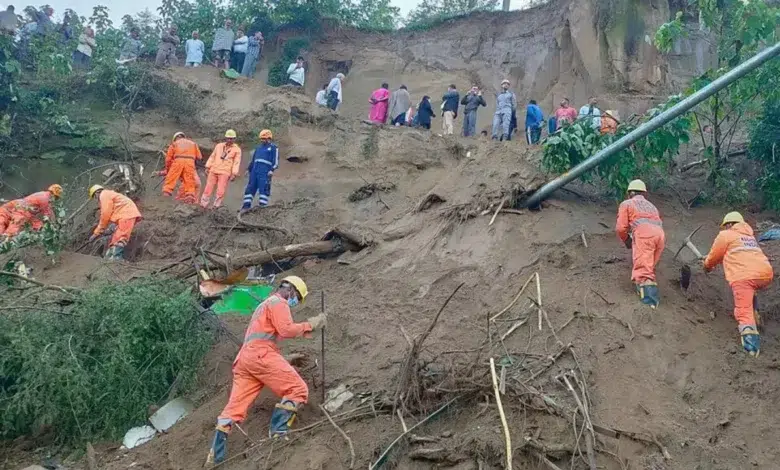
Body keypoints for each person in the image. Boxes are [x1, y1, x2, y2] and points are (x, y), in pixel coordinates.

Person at [205, 276, 326, 465]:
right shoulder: (279, 302)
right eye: (297, 298)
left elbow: (261, 339)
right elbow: (285, 330)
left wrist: (285, 357)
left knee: (233, 409)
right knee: (298, 389)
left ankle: (215, 456)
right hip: (261, 355)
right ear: (291, 290)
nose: (295, 302)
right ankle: (278, 434)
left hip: (246, 359)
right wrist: (311, 325)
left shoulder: (264, 304)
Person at [703, 212, 774, 357]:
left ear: (729, 224)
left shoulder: (725, 236)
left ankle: (752, 348)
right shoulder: (749, 237)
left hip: (744, 276)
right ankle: (756, 314)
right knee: (751, 290)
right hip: (765, 273)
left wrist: (707, 266)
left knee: (743, 310)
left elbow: (714, 256)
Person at [615, 179, 665, 309]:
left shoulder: (627, 204)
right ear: (644, 193)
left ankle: (649, 304)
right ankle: (642, 289)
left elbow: (621, 228)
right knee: (649, 266)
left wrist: (626, 239)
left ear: (630, 193)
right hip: (660, 235)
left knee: (644, 271)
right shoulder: (652, 206)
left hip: (645, 235)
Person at [88, 185, 142, 260]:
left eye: (95, 197)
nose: (96, 200)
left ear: (97, 193)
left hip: (126, 215)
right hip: (125, 216)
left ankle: (116, 259)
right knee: (115, 240)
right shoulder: (109, 194)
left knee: (121, 238)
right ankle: (110, 258)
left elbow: (105, 214)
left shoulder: (104, 195)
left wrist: (97, 232)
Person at [200, 130, 242, 209]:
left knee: (220, 190)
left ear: (234, 139)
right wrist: (208, 166)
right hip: (213, 170)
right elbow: (213, 156)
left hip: (225, 172)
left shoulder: (237, 149)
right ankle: (203, 205)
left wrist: (234, 173)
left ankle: (216, 206)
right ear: (225, 138)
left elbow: (236, 162)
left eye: (232, 138)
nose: (230, 140)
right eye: (228, 138)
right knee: (208, 188)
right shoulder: (219, 146)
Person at [241, 129, 278, 212]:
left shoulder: (273, 148)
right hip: (255, 170)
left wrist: (272, 170)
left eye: (264, 138)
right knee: (250, 187)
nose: (262, 140)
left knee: (264, 188)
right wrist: (249, 169)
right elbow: (254, 160)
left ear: (269, 138)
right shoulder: (258, 148)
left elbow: (275, 161)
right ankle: (246, 206)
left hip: (265, 172)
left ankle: (262, 208)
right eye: (261, 139)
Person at [162, 132, 203, 204]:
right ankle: (189, 200)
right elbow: (199, 157)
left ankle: (166, 199)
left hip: (178, 161)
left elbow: (168, 159)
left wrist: (169, 170)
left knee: (170, 180)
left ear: (175, 139)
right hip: (190, 163)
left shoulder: (174, 144)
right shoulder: (193, 144)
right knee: (189, 182)